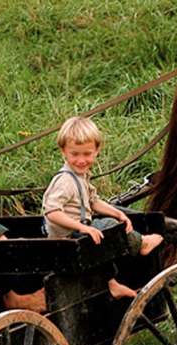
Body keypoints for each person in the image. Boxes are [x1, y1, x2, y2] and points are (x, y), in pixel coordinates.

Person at [42, 116, 163, 299]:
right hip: (66, 240)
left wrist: (118, 213)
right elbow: (52, 212)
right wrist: (83, 227)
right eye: (75, 154)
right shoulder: (65, 181)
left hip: (76, 236)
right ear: (63, 151)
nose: (81, 160)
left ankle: (111, 283)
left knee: (104, 231)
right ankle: (142, 243)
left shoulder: (81, 176)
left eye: (87, 154)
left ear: (96, 150)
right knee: (107, 227)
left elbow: (93, 201)